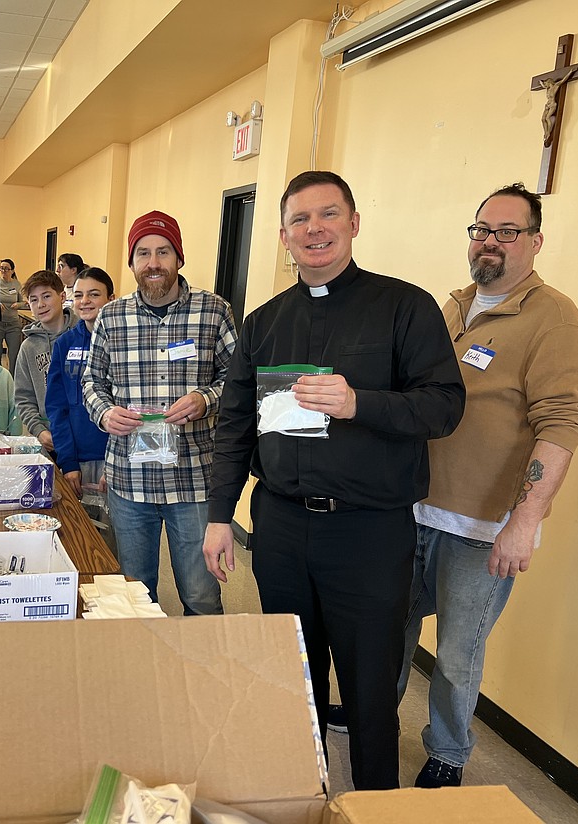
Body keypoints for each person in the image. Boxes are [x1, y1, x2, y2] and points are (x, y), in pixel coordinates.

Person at [203, 171, 465, 790]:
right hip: (282, 526)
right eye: (300, 220)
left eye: (328, 215)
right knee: (292, 675)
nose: (314, 229)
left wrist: (359, 405)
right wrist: (220, 515)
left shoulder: (405, 307)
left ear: (353, 223)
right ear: (284, 237)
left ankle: (375, 801)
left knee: (370, 689)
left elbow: (444, 407)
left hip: (369, 534)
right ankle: (303, 793)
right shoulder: (264, 322)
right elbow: (236, 425)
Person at [398, 183, 578, 788]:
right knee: (389, 628)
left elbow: (561, 423)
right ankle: (369, 711)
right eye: (481, 229)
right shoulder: (452, 306)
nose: (490, 242)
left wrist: (526, 522)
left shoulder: (554, 318)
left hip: (481, 530)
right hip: (412, 509)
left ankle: (448, 752)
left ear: (535, 241)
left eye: (507, 231)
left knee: (458, 654)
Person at [84, 211, 236, 616]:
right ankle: (143, 676)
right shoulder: (112, 317)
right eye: (144, 253)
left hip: (194, 481)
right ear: (132, 263)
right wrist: (105, 413)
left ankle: (198, 675)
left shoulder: (214, 311)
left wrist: (206, 398)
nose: (153, 262)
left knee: (201, 595)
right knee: (136, 596)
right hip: (129, 483)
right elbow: (91, 382)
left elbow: (237, 381)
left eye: (163, 252)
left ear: (179, 258)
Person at [46, 266, 115, 497]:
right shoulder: (64, 344)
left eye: (94, 294)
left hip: (117, 461)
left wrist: (116, 463)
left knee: (115, 533)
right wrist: (68, 461)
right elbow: (57, 407)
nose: (85, 301)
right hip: (77, 461)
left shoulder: (124, 344)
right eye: (78, 295)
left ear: (111, 299)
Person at [14, 269, 77, 450]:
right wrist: (39, 430)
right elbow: (23, 397)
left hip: (86, 437)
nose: (40, 304)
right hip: (51, 438)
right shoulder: (28, 347)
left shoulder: (83, 336)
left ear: (62, 296)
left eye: (46, 296)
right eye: (34, 300)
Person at [0, 257, 24, 375]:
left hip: (13, 324)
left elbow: (24, 301)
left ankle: (13, 380)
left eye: (6, 269)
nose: (3, 271)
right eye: (1, 268)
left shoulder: (16, 284)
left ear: (12, 271)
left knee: (14, 354)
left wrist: (18, 304)